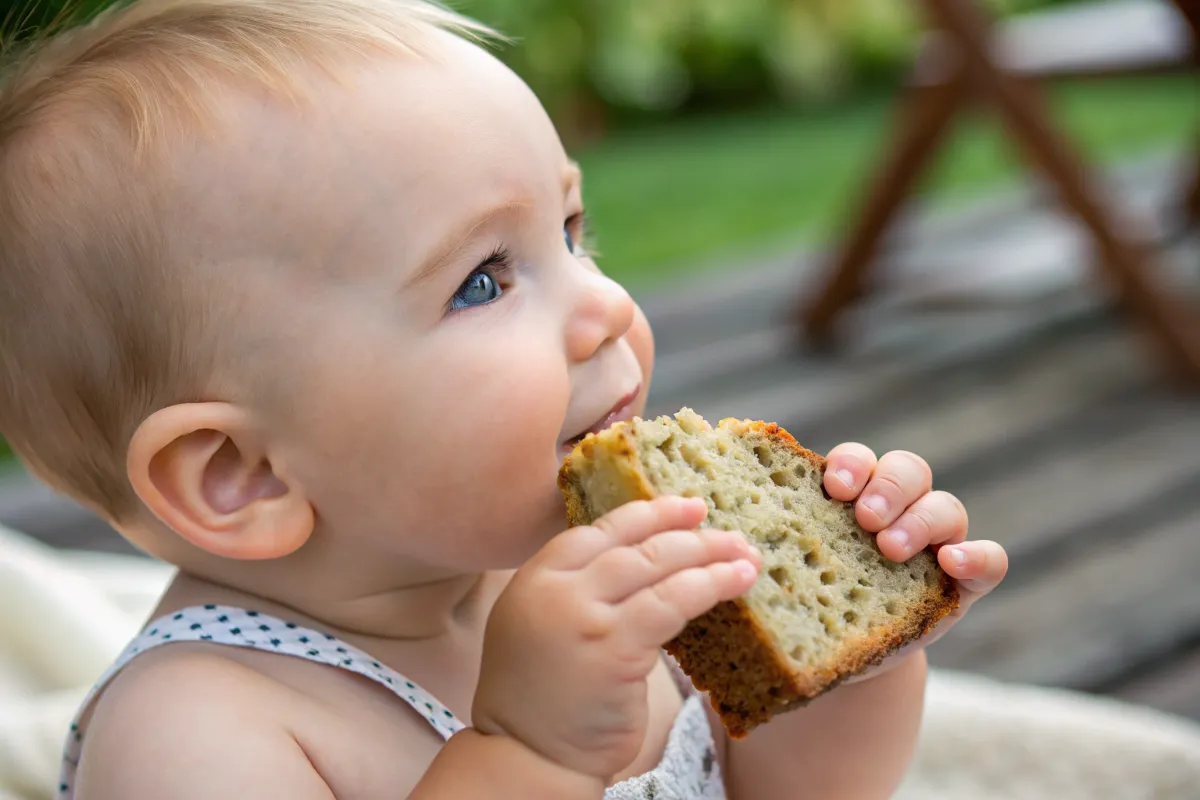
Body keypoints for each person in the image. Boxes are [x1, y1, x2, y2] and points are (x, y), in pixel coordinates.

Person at [0, 1, 1008, 797]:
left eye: (571, 232)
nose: (608, 305)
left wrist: (848, 666)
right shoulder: (201, 729)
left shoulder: (566, 578)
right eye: (483, 279)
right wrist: (529, 753)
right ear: (243, 475)